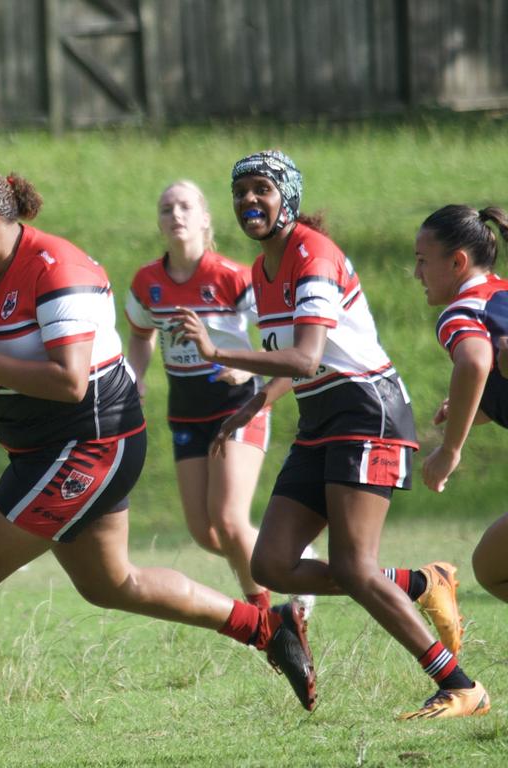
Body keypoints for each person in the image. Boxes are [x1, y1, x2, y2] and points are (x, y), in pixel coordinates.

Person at [0, 170, 316, 767]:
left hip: (92, 442)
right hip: (40, 449)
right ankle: (266, 628)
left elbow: (70, 384)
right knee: (110, 584)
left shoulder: (55, 267)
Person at [172, 150, 489, 720]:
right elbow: (295, 364)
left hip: (368, 414)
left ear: (286, 197)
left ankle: (462, 686)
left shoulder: (311, 255)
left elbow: (307, 355)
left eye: (262, 189)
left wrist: (219, 352)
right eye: (240, 191)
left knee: (353, 567)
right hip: (322, 421)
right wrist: (252, 404)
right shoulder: (260, 272)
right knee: (270, 564)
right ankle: (423, 580)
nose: (249, 200)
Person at [125, 179, 316, 612]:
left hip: (238, 405)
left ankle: (266, 615)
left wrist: (243, 363)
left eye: (185, 206)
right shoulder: (146, 282)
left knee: (229, 522)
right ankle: (297, 557)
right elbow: (140, 335)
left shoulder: (231, 276)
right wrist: (136, 374)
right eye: (166, 208)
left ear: (205, 218)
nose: (175, 214)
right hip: (186, 412)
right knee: (206, 533)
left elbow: (274, 334)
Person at [413, 204, 508, 604]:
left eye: (422, 261)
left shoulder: (463, 310)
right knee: (491, 565)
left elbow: (475, 360)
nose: (416, 273)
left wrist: (450, 450)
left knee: (492, 569)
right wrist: (483, 407)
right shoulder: (502, 294)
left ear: (457, 262)